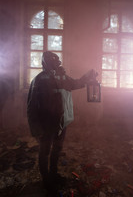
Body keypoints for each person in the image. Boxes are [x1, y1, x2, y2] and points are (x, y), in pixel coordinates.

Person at [27, 51, 96, 194]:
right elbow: (31, 107)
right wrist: (36, 129)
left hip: (60, 122)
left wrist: (87, 78)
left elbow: (76, 83)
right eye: (53, 61)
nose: (56, 63)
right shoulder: (38, 80)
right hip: (46, 125)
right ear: (45, 62)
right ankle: (46, 181)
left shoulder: (61, 77)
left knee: (57, 149)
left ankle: (53, 175)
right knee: (44, 152)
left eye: (57, 61)